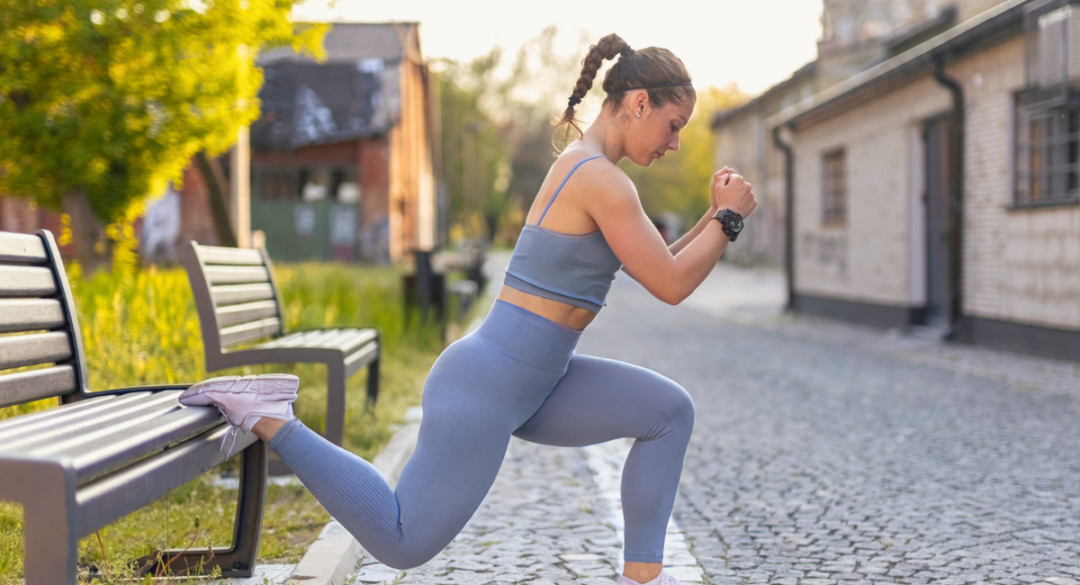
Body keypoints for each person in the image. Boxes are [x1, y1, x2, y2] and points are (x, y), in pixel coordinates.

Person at [180, 33, 756, 585]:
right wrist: (729, 219)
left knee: (668, 413)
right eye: (674, 125)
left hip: (537, 383)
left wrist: (713, 217)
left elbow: (659, 264)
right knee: (402, 541)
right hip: (488, 384)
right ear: (637, 103)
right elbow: (673, 285)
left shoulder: (594, 171)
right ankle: (274, 417)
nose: (675, 142)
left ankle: (643, 577)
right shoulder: (599, 178)